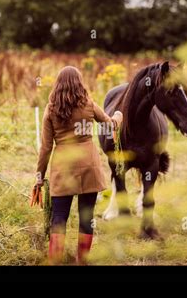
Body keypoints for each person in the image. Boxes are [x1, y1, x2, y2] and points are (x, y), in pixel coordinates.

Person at [35, 66, 123, 265]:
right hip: (88, 167)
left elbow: (46, 148)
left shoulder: (51, 109)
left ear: (58, 85)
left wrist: (39, 177)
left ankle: (55, 260)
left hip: (62, 168)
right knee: (87, 216)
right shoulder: (88, 104)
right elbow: (110, 125)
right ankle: (82, 261)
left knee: (58, 217)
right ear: (79, 83)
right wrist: (119, 115)